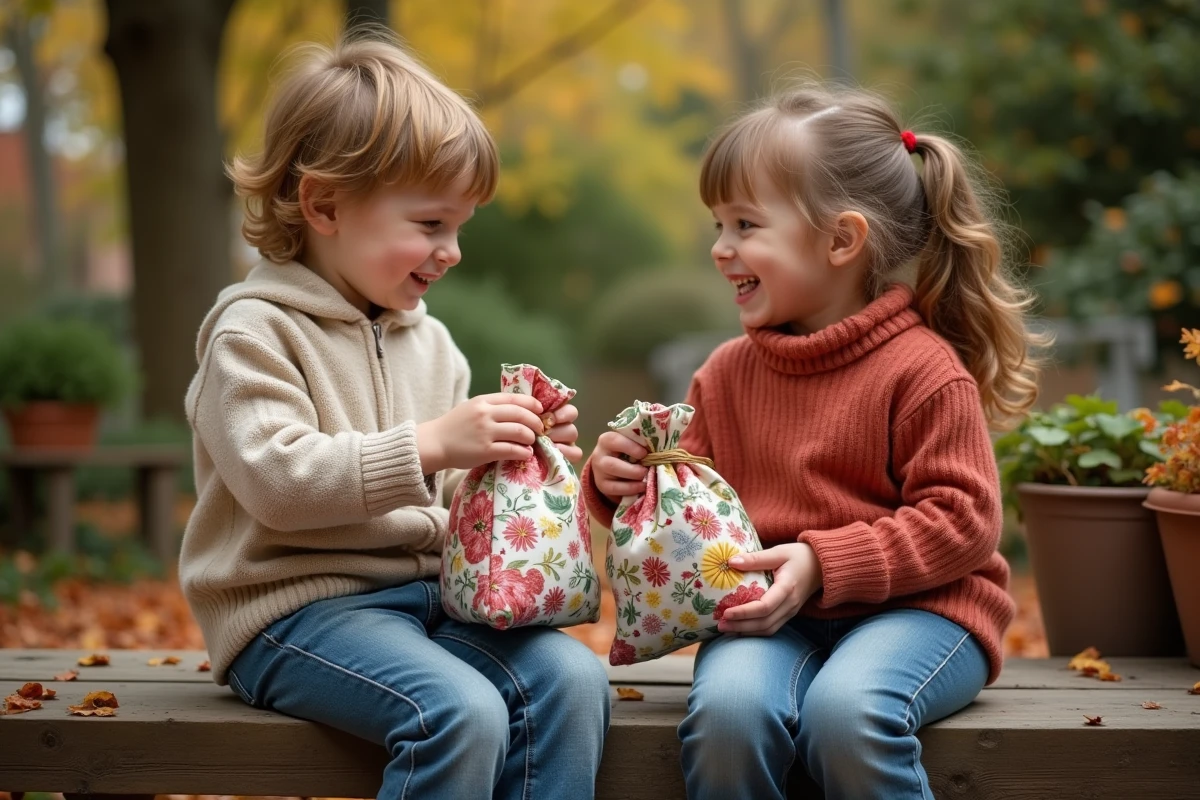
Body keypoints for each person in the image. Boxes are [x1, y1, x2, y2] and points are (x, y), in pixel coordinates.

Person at [180, 29, 609, 800]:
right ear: (325, 205)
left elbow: (447, 506)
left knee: (574, 679)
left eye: (460, 227)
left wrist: (503, 464)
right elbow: (278, 483)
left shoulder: (430, 341)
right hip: (295, 615)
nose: (451, 251)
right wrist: (433, 442)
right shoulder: (253, 333)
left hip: (429, 605)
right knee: (459, 712)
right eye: (430, 224)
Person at [584, 84, 1042, 800]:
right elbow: (685, 508)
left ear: (840, 240)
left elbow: (965, 521)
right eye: (717, 224)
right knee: (730, 716)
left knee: (848, 715)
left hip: (924, 614)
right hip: (775, 621)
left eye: (745, 224)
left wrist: (823, 562)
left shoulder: (922, 372)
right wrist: (620, 481)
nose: (720, 248)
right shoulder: (726, 375)